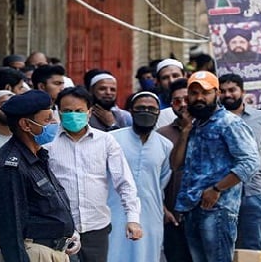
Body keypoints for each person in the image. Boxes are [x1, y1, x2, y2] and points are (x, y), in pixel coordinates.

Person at [172, 71, 259, 262]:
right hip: (191, 208)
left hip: (218, 210)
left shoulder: (229, 123)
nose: (199, 98)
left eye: (206, 92)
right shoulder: (195, 125)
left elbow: (251, 162)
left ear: (217, 94)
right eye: (194, 93)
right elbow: (175, 164)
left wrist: (217, 189)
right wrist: (185, 130)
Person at [46, 87, 141, 262]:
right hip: (59, 229)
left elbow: (124, 181)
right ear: (58, 111)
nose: (73, 115)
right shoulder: (47, 144)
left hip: (96, 228)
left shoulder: (105, 141)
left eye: (79, 111)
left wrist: (133, 218)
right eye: (67, 111)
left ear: (89, 112)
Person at [0, 90, 80, 262]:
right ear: (26, 125)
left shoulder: (38, 156)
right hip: (34, 254)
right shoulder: (10, 165)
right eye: (47, 120)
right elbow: (11, 227)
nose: (54, 123)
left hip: (55, 252)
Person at [107, 92, 172, 262]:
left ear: (159, 112)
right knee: (113, 253)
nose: (146, 112)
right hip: (114, 209)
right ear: (131, 111)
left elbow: (162, 180)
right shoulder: (112, 139)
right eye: (141, 108)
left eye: (151, 109)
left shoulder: (165, 145)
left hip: (151, 212)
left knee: (146, 256)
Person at [219, 73, 261, 250]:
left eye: (232, 90)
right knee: (221, 248)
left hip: (252, 191)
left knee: (252, 247)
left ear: (243, 91)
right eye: (222, 91)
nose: (228, 95)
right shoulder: (211, 120)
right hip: (220, 193)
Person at [157, 78, 193, 262]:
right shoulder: (161, 135)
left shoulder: (211, 129)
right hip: (173, 216)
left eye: (187, 99)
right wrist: (163, 209)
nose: (183, 105)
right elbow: (154, 177)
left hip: (203, 215)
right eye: (177, 101)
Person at [154, 59, 186, 128]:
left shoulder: (194, 102)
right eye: (165, 78)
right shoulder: (155, 105)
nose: (171, 81)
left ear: (184, 76)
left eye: (175, 76)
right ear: (159, 82)